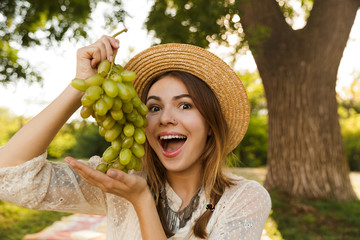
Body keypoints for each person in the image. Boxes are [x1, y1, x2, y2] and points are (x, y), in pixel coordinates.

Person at [0, 35, 271, 239]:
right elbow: (9, 174)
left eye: (185, 105)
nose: (165, 118)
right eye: (154, 107)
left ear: (210, 124)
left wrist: (141, 200)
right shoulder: (120, 181)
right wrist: (80, 85)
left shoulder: (245, 199)